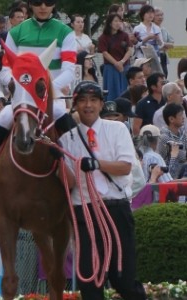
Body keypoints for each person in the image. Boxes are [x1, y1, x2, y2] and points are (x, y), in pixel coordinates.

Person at [58, 80, 146, 300]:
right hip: (85, 213)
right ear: (75, 105)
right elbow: (69, 184)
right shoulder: (65, 140)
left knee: (123, 280)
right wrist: (57, 161)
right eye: (83, 100)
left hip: (115, 208)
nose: (88, 105)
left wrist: (97, 164)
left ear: (101, 104)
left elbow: (125, 166)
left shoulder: (116, 129)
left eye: (93, 100)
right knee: (90, 281)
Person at [0, 0, 77, 166]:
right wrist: (18, 87)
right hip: (22, 97)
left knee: (68, 123)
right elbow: (6, 69)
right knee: (0, 122)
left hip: (51, 98)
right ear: (30, 5)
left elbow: (69, 71)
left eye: (48, 2)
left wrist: (46, 91)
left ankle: (76, 161)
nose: (43, 7)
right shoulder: (15, 32)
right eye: (37, 2)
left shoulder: (66, 32)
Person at [98, 13, 132, 101]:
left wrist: (122, 62)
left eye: (119, 21)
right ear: (110, 23)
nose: (118, 23)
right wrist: (116, 63)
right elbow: (105, 53)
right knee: (112, 90)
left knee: (125, 90)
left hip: (124, 66)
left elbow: (129, 50)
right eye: (115, 21)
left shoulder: (124, 35)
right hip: (111, 67)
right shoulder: (103, 37)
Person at [157, 103, 187, 179]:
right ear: (171, 119)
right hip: (168, 176)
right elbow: (181, 156)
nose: (183, 117)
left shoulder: (182, 133)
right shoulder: (163, 137)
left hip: (182, 173)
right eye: (180, 115)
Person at [132, 72, 166, 136]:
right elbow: (136, 128)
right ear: (153, 87)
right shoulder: (142, 104)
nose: (165, 85)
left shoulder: (166, 101)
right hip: (149, 139)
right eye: (162, 83)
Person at [153, 7, 174, 78]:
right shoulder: (151, 29)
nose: (160, 17)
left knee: (164, 76)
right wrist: (164, 45)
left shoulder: (164, 30)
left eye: (161, 15)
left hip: (163, 56)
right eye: (158, 15)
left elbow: (172, 44)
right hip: (154, 58)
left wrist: (163, 44)